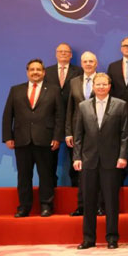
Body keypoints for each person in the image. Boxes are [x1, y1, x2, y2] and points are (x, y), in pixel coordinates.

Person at [73, 73, 128, 249]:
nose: (101, 87)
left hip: (111, 160)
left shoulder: (120, 105)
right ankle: (88, 239)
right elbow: (78, 135)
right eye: (98, 84)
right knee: (89, 201)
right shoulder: (83, 106)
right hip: (88, 160)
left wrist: (122, 156)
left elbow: (125, 135)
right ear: (93, 86)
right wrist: (77, 157)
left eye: (104, 84)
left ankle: (112, 238)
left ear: (109, 86)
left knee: (111, 201)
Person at [2, 59, 64, 217]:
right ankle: (24, 207)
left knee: (46, 175)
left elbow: (59, 116)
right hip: (22, 140)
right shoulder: (16, 90)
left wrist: (57, 137)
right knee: (23, 176)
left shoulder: (54, 90)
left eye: (38, 69)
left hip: (46, 139)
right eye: (32, 69)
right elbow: (8, 115)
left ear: (44, 72)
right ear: (27, 72)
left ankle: (46, 205)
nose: (35, 72)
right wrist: (8, 136)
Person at [65, 51, 99, 216]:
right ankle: (82, 206)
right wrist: (68, 132)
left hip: (98, 132)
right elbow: (70, 109)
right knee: (80, 171)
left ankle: (98, 206)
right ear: (81, 63)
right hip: (78, 132)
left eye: (91, 61)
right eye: (85, 61)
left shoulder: (103, 80)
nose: (88, 64)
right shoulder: (74, 82)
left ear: (96, 63)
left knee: (98, 170)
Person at [44, 43, 83, 186]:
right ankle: (50, 190)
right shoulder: (47, 71)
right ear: (56, 54)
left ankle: (76, 189)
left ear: (71, 55)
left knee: (75, 157)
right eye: (60, 51)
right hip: (52, 119)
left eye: (66, 52)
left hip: (73, 119)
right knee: (49, 159)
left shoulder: (79, 71)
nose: (63, 53)